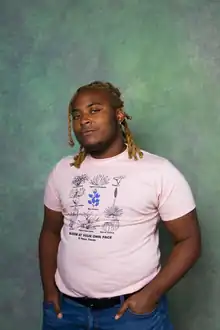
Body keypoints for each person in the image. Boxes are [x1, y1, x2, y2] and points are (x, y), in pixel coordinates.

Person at [39, 81, 201, 330]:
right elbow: (50, 232)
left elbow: (189, 240)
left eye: (94, 110)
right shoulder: (63, 170)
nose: (84, 120)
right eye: (77, 114)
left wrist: (150, 295)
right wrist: (49, 292)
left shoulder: (158, 171)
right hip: (66, 313)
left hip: (129, 315)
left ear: (119, 115)